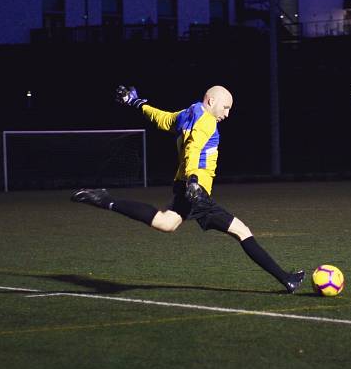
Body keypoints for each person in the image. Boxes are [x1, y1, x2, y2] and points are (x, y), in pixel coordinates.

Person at [71, 85, 305, 293]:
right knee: (242, 232)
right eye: (225, 107)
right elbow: (193, 148)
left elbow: (163, 119)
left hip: (185, 187)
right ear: (211, 101)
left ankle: (105, 199)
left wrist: (136, 102)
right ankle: (286, 279)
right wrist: (194, 179)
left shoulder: (188, 113)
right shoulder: (206, 121)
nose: (227, 114)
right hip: (197, 191)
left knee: (166, 222)